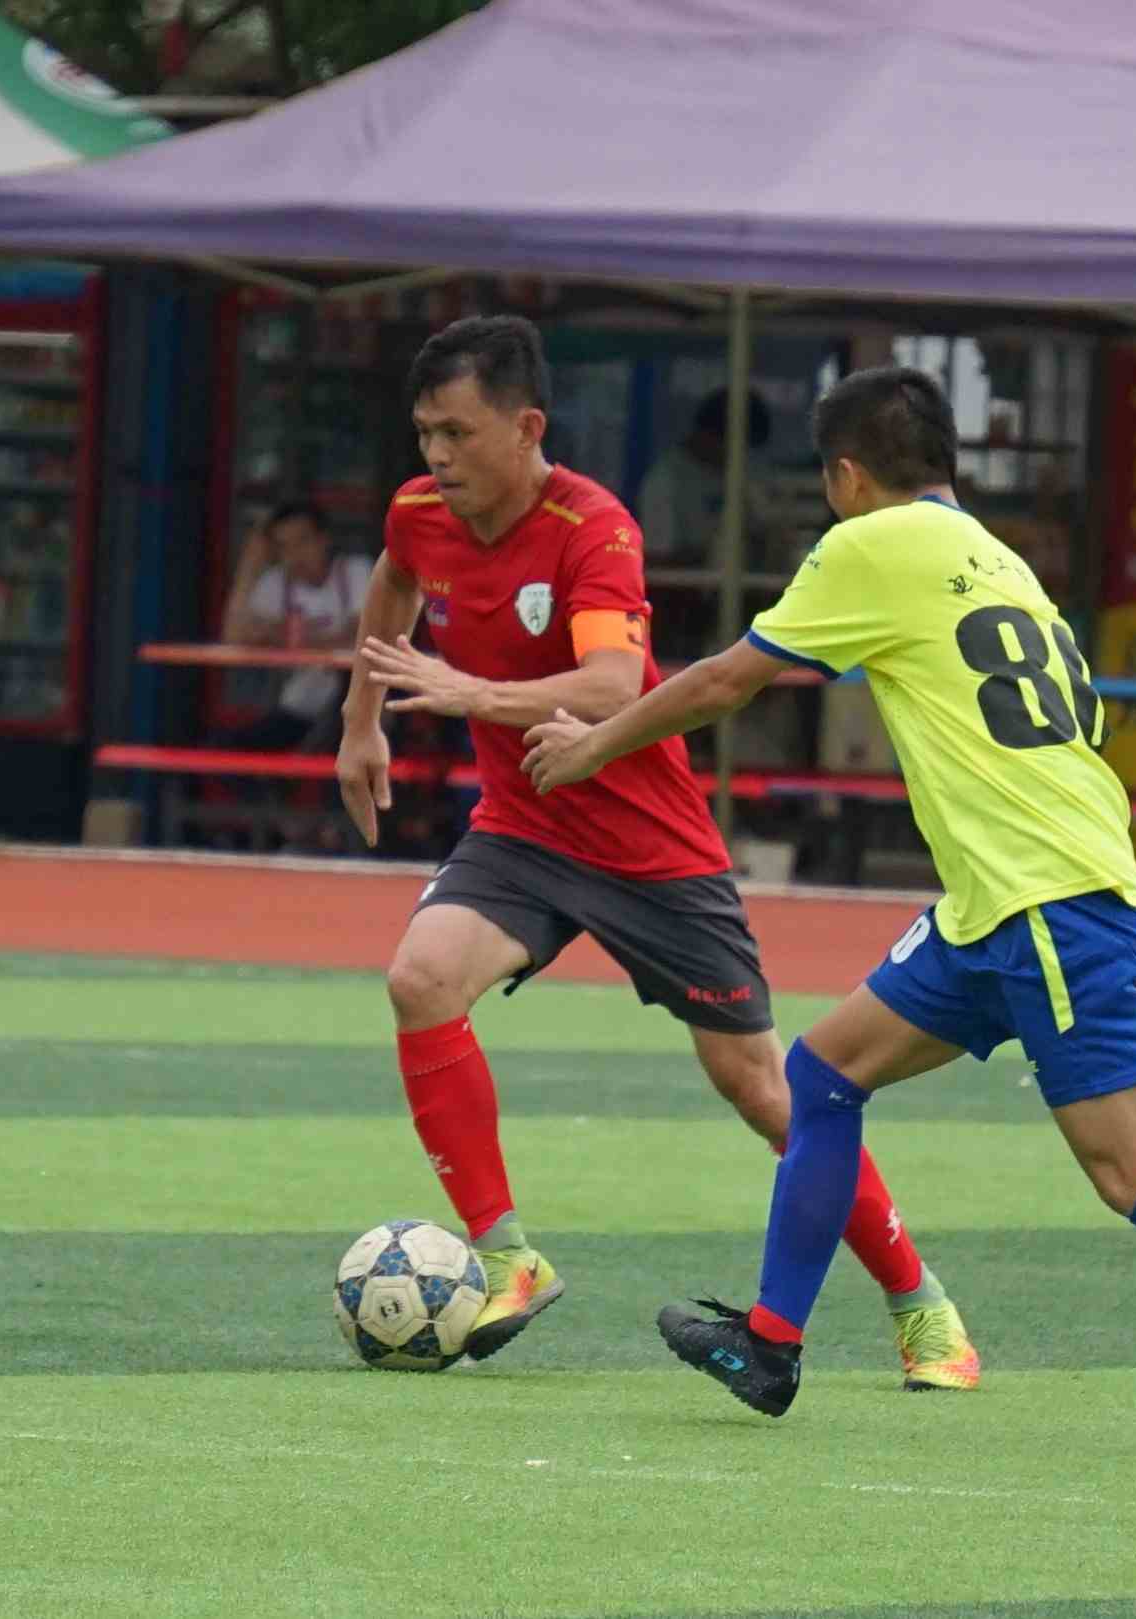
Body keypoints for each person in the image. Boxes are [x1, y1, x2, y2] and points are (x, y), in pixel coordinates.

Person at [523, 366, 1136, 1462]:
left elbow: (727, 680)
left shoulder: (872, 543)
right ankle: (769, 1345)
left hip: (1047, 901)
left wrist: (592, 746)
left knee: (1134, 1171)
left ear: (846, 476)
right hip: (999, 902)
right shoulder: (998, 559)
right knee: (822, 1073)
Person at [338, 317, 981, 1387]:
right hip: (525, 824)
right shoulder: (420, 511)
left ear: (526, 427)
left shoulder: (594, 528)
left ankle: (923, 1306)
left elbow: (608, 687)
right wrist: (363, 719)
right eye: (425, 433)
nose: (437, 456)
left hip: (650, 846)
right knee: (420, 978)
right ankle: (506, 1255)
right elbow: (396, 581)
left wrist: (470, 693)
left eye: (457, 432)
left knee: (762, 1089)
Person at [221, 500, 371, 752]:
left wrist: (278, 634)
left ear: (324, 539)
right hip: (300, 707)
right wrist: (249, 567)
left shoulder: (355, 571)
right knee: (228, 748)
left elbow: (364, 637)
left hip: (357, 708)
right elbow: (233, 636)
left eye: (303, 542)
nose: (294, 554)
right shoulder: (275, 582)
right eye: (283, 546)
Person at [636, 388, 773, 566]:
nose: (739, 456)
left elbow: (760, 527)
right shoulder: (665, 481)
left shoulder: (736, 476)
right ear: (709, 437)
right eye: (736, 447)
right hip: (690, 582)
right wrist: (710, 554)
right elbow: (657, 561)